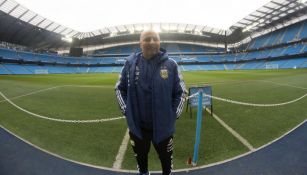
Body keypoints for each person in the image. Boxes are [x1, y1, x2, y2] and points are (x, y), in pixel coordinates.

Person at [115, 30, 186, 175]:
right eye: (147, 39)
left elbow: (181, 92)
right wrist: (126, 110)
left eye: (155, 39)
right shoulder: (129, 64)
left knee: (167, 163)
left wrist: (173, 115)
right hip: (138, 129)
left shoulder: (171, 65)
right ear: (140, 43)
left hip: (164, 128)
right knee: (141, 164)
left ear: (160, 42)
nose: (152, 42)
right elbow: (119, 89)